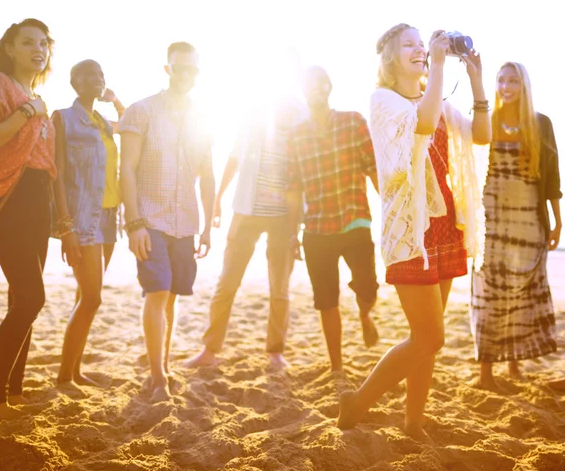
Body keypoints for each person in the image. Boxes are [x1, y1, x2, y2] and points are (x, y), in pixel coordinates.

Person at [337, 24, 491, 441]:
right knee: (430, 336)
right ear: (389, 58)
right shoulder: (383, 100)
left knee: (426, 340)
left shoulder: (434, 97)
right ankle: (358, 402)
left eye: (423, 45)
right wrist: (438, 65)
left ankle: (413, 422)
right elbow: (421, 126)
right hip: (410, 232)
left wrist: (476, 78)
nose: (421, 50)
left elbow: (481, 135)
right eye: (410, 45)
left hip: (443, 228)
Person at [0, 18, 56, 422]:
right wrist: (27, 111)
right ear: (9, 48)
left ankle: (14, 391)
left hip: (38, 202)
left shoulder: (34, 93)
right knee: (31, 298)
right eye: (28, 42)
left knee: (22, 299)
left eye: (43, 43)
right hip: (8, 201)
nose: (38, 49)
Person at [119, 42, 215, 402]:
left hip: (185, 220)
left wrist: (206, 224)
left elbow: (207, 173)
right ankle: (158, 376)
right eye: (180, 68)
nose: (186, 75)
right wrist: (134, 223)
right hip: (150, 218)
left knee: (171, 296)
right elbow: (126, 168)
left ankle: (164, 363)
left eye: (192, 69)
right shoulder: (141, 111)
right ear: (168, 69)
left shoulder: (202, 118)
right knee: (157, 291)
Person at [185, 93, 307, 370]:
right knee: (227, 283)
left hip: (283, 219)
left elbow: (308, 175)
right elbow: (233, 160)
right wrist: (217, 201)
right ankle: (209, 349)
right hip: (245, 212)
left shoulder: (302, 124)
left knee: (280, 289)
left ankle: (275, 352)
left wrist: (301, 223)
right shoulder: (255, 120)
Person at [470, 62, 559, 391]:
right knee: (489, 295)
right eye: (501, 80)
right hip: (490, 225)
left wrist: (557, 222)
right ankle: (485, 372)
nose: (506, 87)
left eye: (513, 81)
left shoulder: (541, 124)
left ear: (524, 86)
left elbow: (551, 179)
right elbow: (468, 171)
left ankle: (513, 364)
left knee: (521, 295)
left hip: (528, 224)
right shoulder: (486, 122)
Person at [286, 65, 379, 373]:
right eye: (307, 85)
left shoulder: (353, 122)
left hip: (355, 221)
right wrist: (291, 233)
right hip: (316, 229)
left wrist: (393, 211)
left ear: (328, 87)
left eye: (319, 83)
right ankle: (337, 366)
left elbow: (373, 168)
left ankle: (365, 314)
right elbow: (293, 188)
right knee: (327, 301)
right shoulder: (296, 136)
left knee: (368, 288)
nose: (314, 89)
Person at [53, 60, 125, 386]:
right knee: (93, 299)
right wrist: (65, 226)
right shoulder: (63, 119)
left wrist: (115, 99)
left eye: (100, 75)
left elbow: (132, 126)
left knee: (84, 296)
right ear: (74, 83)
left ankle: (75, 371)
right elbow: (57, 176)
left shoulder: (102, 122)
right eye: (89, 75)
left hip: (109, 217)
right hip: (83, 219)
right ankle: (64, 378)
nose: (96, 80)